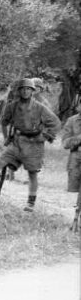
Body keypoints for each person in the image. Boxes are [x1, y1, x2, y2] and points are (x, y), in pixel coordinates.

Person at [0, 78, 61, 211]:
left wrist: (45, 136)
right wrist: (7, 138)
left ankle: (30, 203)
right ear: (18, 91)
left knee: (32, 174)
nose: (25, 91)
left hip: (34, 144)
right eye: (22, 89)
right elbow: (4, 122)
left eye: (28, 89)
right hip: (17, 142)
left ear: (33, 91)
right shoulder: (12, 106)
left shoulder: (40, 107)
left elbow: (56, 123)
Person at [61, 97, 81, 232]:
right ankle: (75, 221)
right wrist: (78, 138)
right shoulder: (72, 121)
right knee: (77, 190)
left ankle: (76, 219)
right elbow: (65, 143)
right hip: (76, 158)